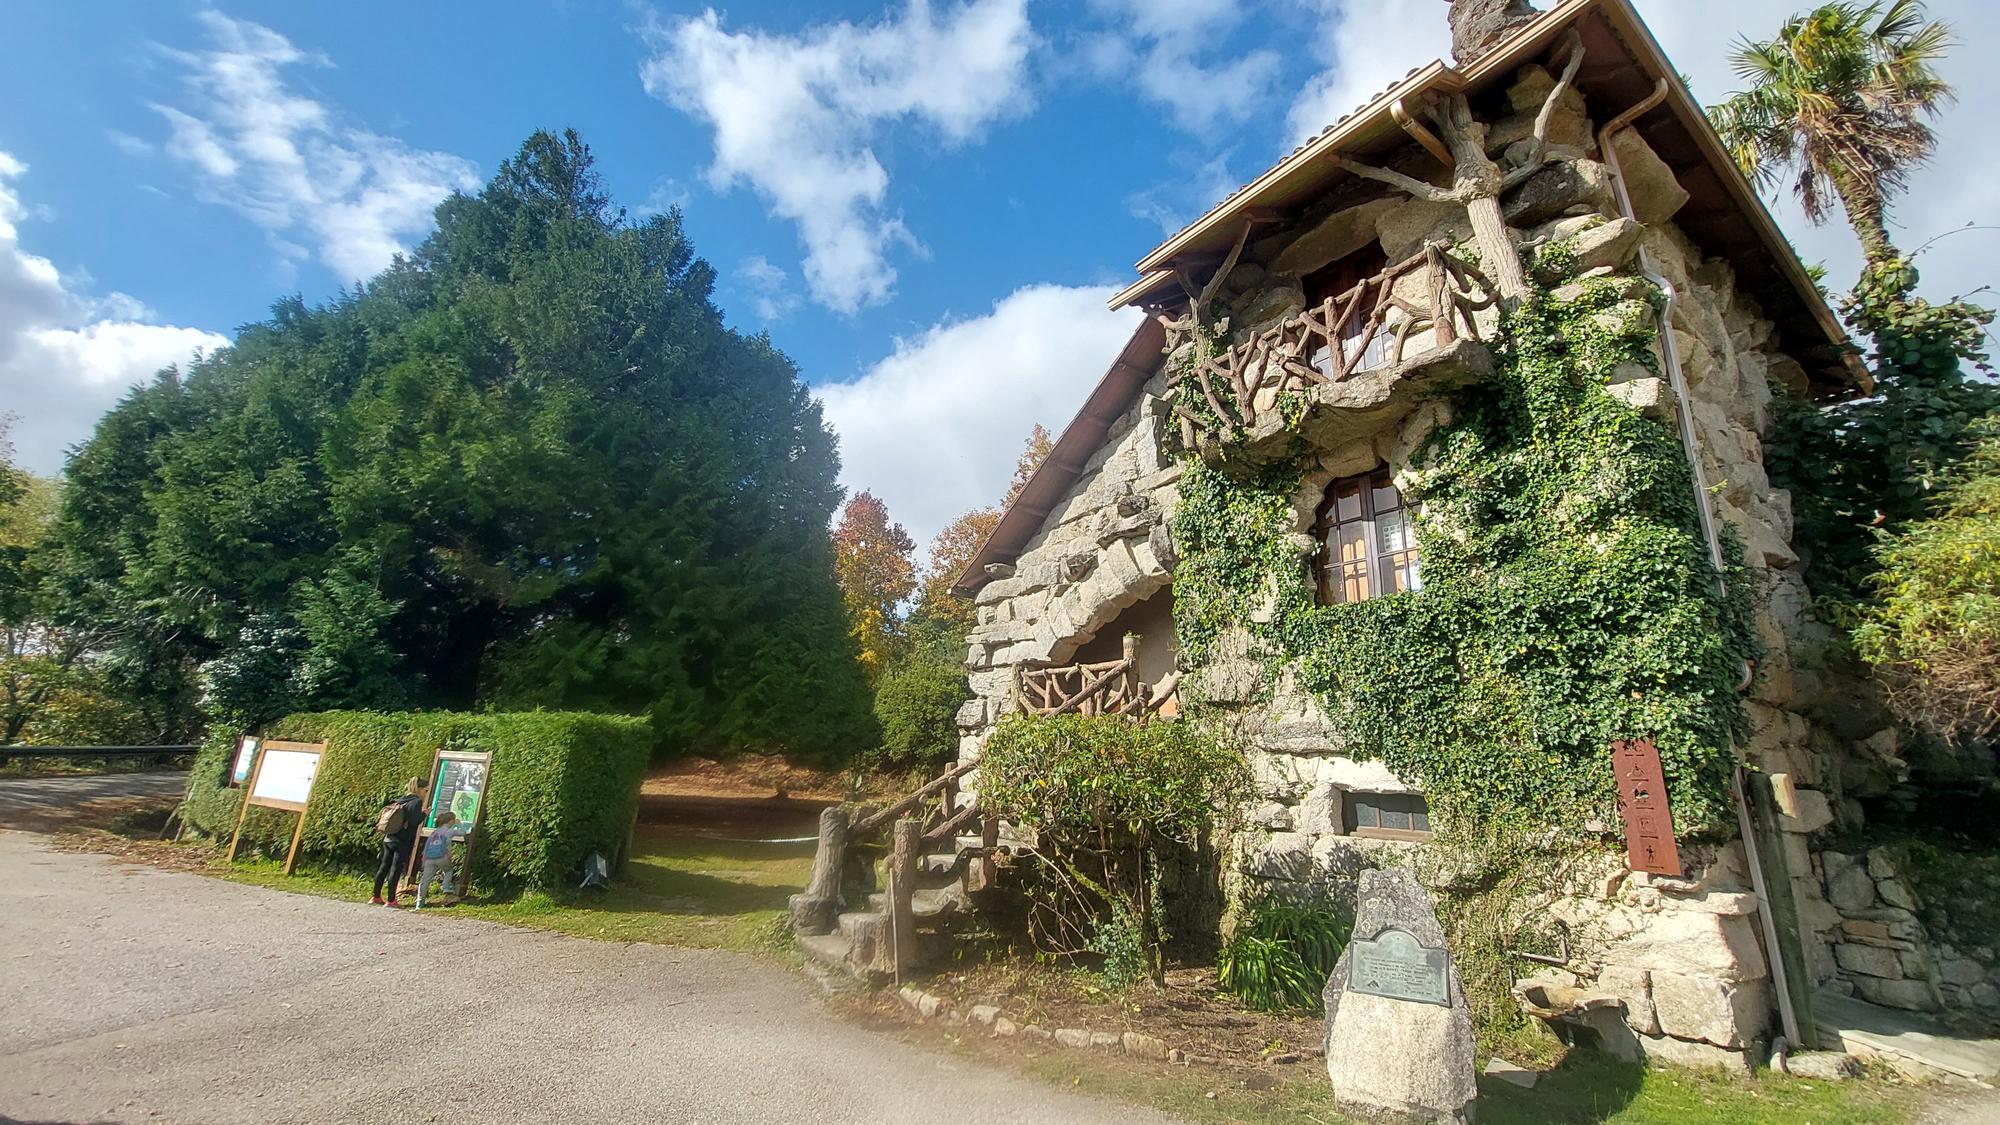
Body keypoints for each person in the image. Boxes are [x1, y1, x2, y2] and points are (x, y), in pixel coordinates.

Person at [371, 777, 426, 906]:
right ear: (420, 789)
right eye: (426, 790)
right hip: (402, 840)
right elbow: (414, 821)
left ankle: (376, 896)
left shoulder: (401, 799)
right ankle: (391, 900)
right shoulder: (416, 801)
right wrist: (425, 814)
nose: (426, 793)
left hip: (389, 837)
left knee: (384, 866)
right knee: (395, 869)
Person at [414, 811, 467, 909]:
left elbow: (427, 845)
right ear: (451, 821)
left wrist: (424, 858)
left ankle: (420, 903)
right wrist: (459, 823)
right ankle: (446, 887)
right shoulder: (449, 831)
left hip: (429, 858)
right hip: (442, 857)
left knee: (425, 880)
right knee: (448, 870)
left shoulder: (435, 831)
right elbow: (464, 832)